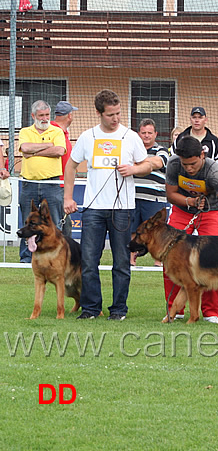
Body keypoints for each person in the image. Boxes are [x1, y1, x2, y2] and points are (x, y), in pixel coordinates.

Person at [64, 89, 151, 320]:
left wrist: (134, 169)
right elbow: (71, 166)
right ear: (99, 113)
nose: (116, 118)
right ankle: (91, 308)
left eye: (118, 113)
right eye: (111, 114)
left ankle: (119, 310)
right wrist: (68, 198)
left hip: (122, 209)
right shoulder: (87, 137)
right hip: (92, 208)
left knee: (121, 262)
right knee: (89, 261)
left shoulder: (131, 136)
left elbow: (147, 165)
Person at [163, 136, 218, 322]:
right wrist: (189, 201)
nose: (189, 168)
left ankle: (211, 312)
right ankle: (174, 310)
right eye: (186, 165)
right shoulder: (174, 164)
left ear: (202, 154)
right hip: (182, 210)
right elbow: (170, 194)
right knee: (171, 260)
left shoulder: (214, 170)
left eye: (193, 164)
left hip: (210, 211)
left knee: (211, 261)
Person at [18, 100, 66, 263]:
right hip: (28, 183)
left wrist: (35, 151)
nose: (45, 118)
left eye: (47, 115)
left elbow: (59, 150)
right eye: (41, 115)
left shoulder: (57, 131)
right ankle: (26, 257)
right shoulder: (25, 131)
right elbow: (24, 148)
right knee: (27, 222)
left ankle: (55, 256)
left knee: (54, 222)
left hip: (51, 184)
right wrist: (47, 146)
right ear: (33, 116)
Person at [130, 118, 169, 266]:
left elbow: (159, 162)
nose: (146, 136)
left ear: (155, 134)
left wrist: (137, 164)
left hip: (154, 199)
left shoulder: (162, 150)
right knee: (132, 231)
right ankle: (131, 260)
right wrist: (148, 163)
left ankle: (158, 262)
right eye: (143, 132)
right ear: (138, 133)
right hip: (132, 197)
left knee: (156, 231)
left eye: (149, 133)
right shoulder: (132, 149)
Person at [51, 100, 78, 237]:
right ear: (69, 115)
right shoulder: (52, 131)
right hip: (55, 185)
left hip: (62, 185)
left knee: (65, 224)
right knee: (60, 225)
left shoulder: (62, 132)